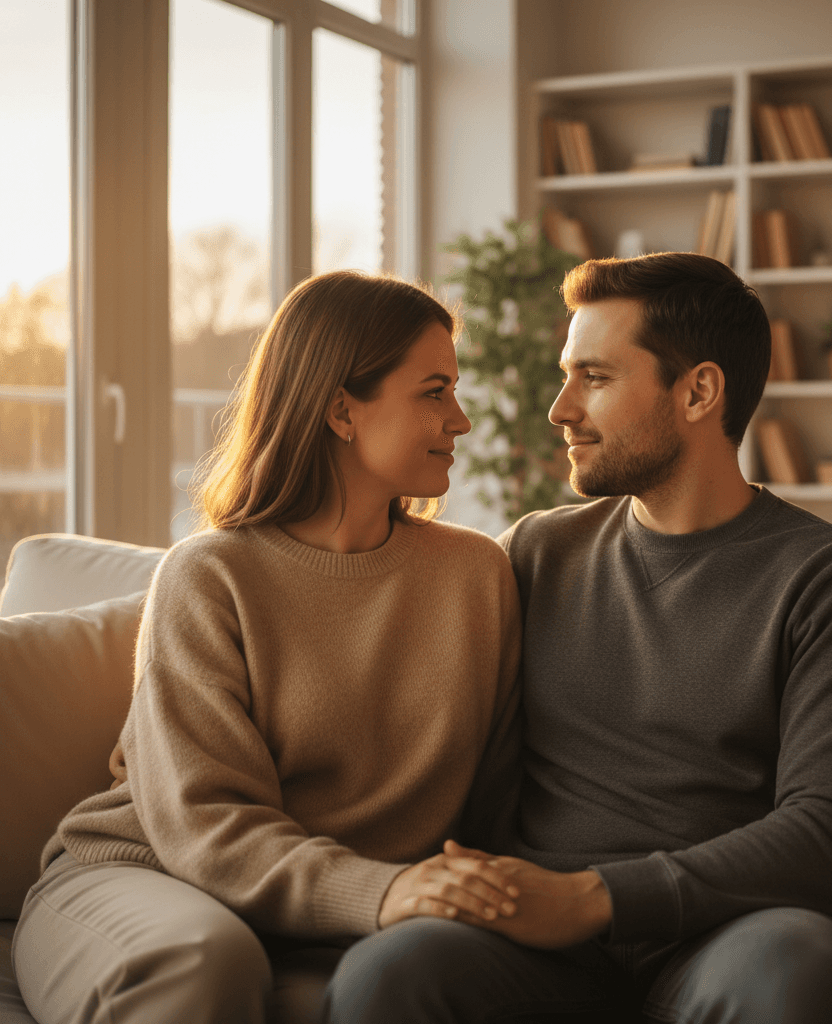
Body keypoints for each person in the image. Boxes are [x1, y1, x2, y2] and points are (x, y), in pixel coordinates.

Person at [323, 252, 832, 1024]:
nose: (560, 408)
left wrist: (594, 898)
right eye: (568, 376)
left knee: (797, 970)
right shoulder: (535, 553)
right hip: (532, 942)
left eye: (594, 379)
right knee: (388, 975)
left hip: (726, 935)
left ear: (698, 391)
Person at [12, 270, 524, 1024]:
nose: (462, 420)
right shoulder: (209, 576)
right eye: (434, 391)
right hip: (151, 876)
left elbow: (500, 798)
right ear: (340, 410)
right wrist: (378, 891)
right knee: (204, 962)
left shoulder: (476, 576)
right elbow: (204, 821)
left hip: (338, 910)